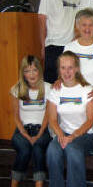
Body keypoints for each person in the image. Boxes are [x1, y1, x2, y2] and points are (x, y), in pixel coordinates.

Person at [46, 51, 93, 187]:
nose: (67, 72)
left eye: (70, 68)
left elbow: (90, 120)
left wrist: (73, 136)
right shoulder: (55, 90)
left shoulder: (86, 89)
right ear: (59, 69)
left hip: (85, 135)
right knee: (52, 150)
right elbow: (52, 119)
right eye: (63, 68)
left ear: (77, 69)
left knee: (72, 149)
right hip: (63, 133)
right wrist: (61, 135)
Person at [10, 56, 51, 187]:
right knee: (25, 149)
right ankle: (14, 183)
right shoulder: (16, 89)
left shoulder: (48, 88)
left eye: (34, 70)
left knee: (38, 148)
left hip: (42, 129)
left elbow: (48, 116)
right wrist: (25, 134)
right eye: (27, 71)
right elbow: (16, 116)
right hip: (22, 129)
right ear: (23, 73)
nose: (31, 74)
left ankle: (39, 184)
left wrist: (38, 135)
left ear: (39, 70)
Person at [38, 0, 80, 83]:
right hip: (53, 46)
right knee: (52, 85)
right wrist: (42, 46)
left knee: (70, 84)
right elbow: (41, 20)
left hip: (72, 46)